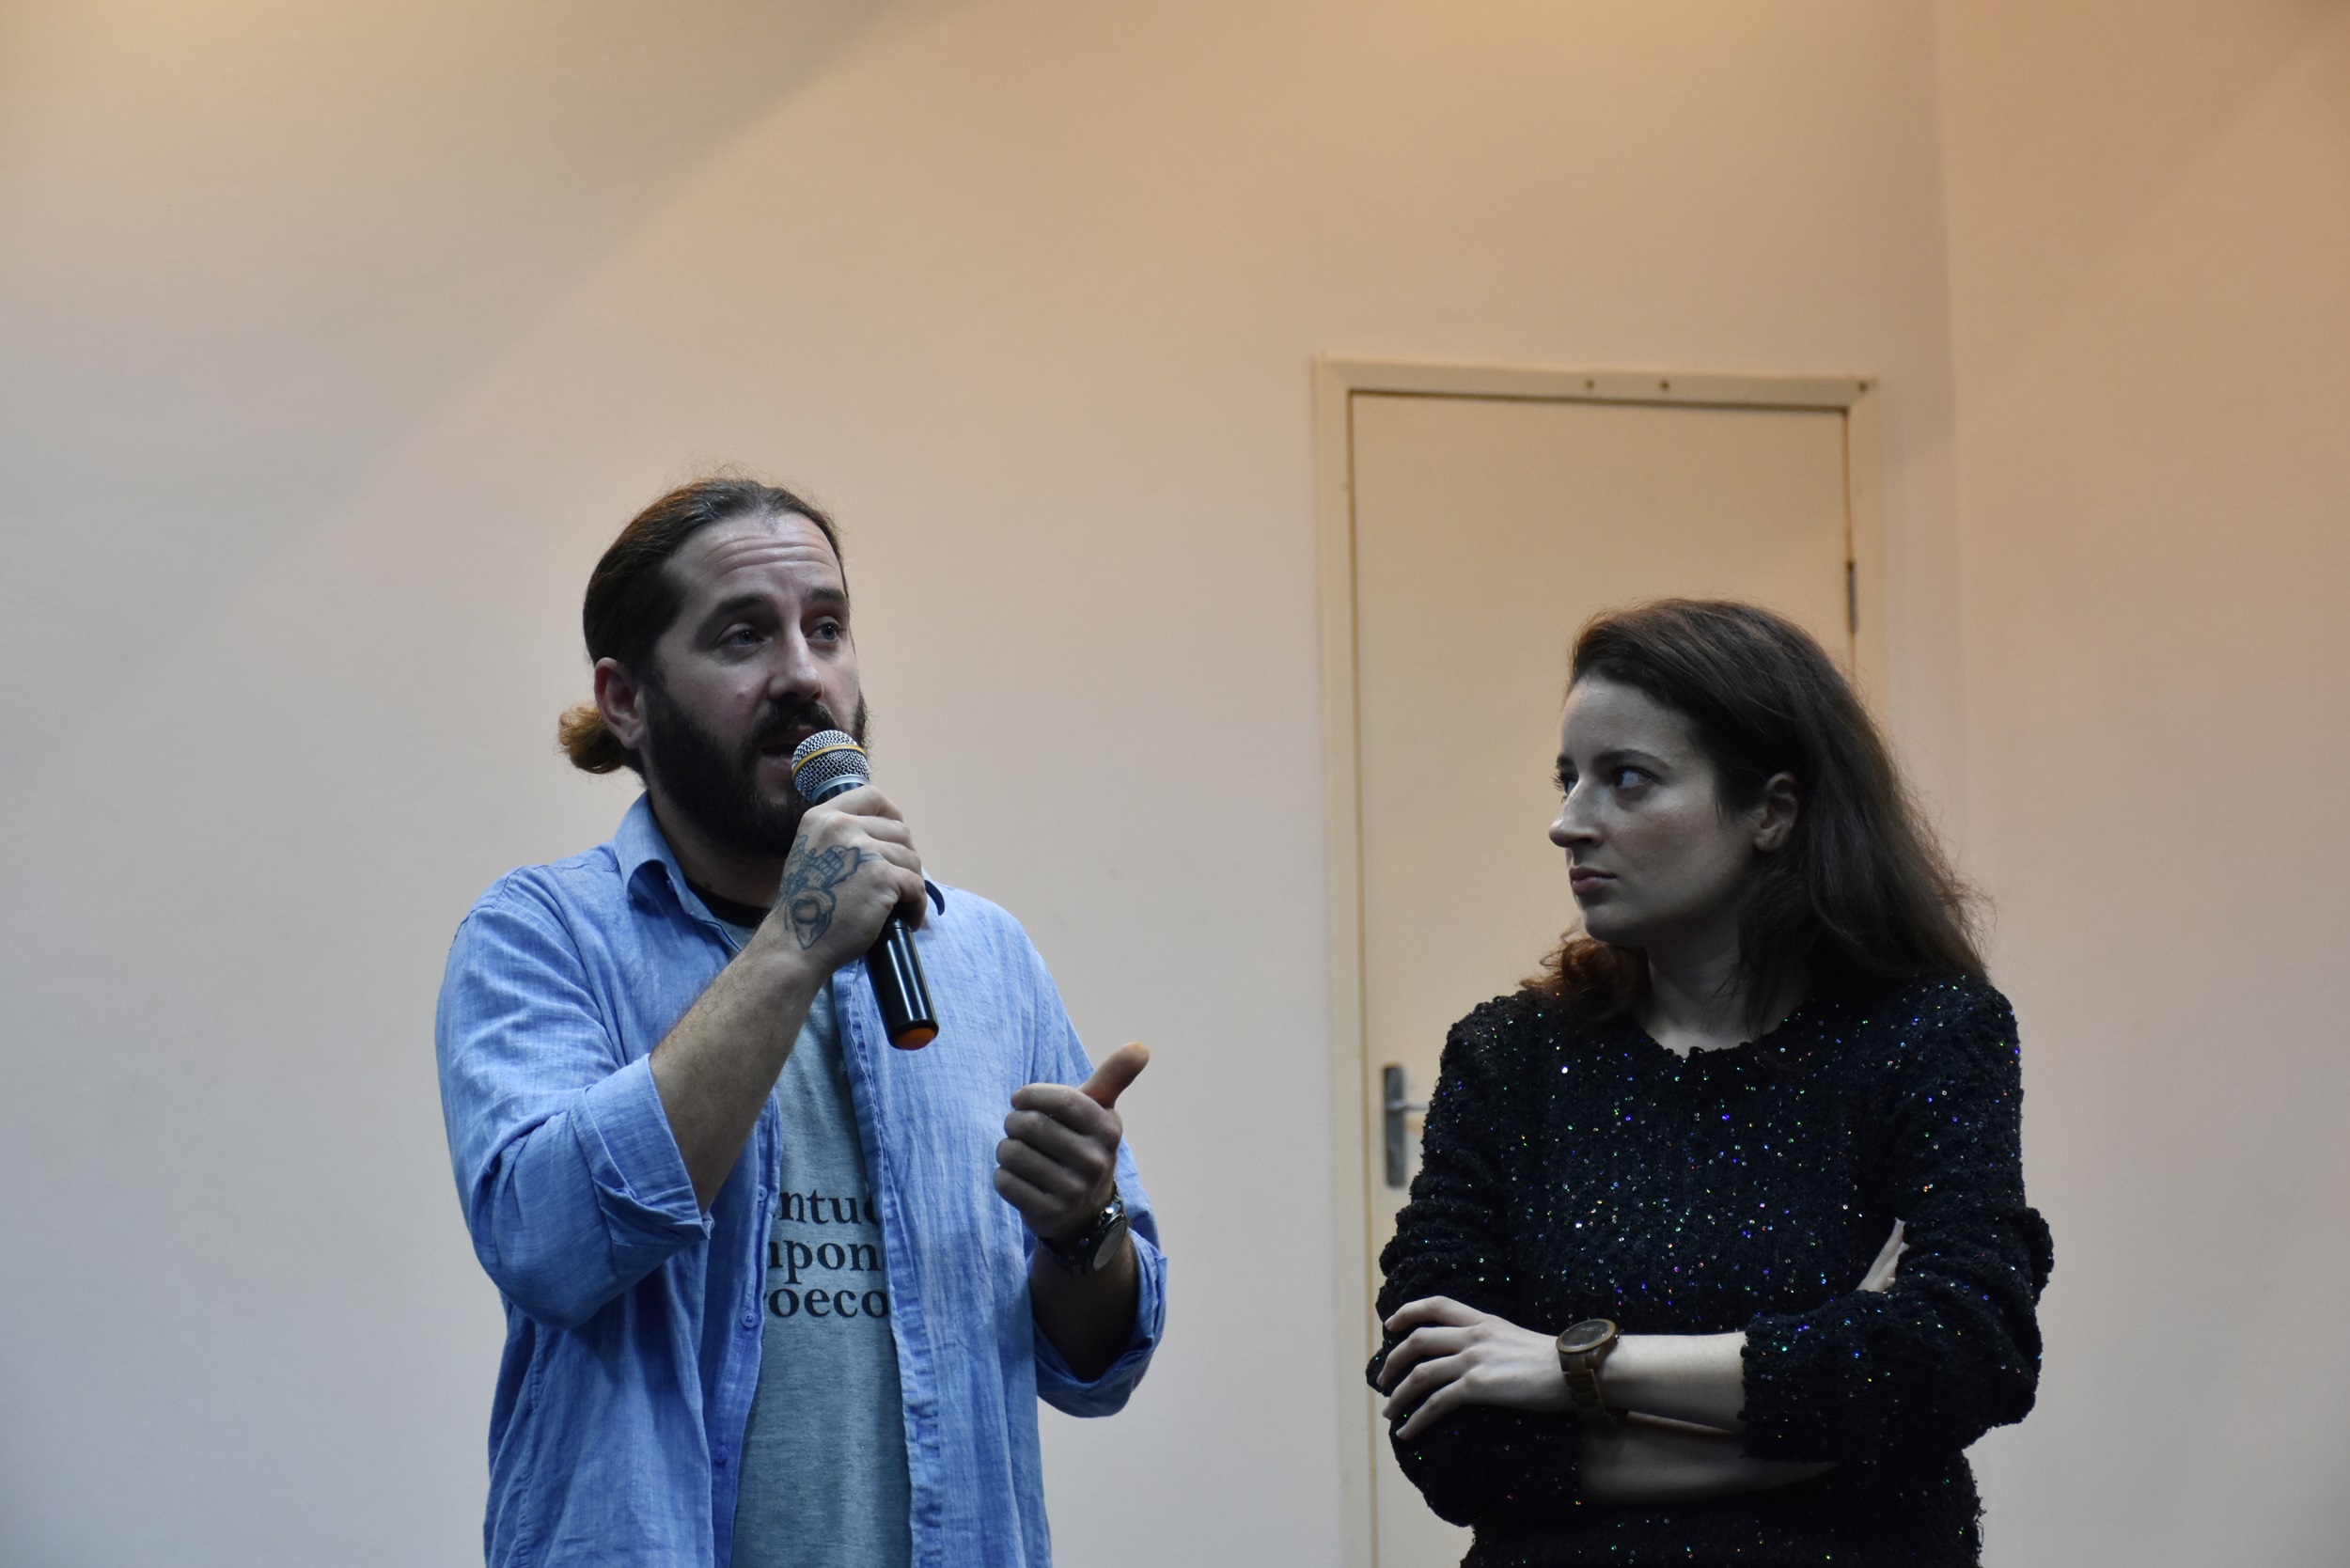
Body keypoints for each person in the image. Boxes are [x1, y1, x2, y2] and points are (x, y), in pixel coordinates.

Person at [435, 477, 1166, 1568]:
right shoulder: (542, 935)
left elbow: (1097, 1365)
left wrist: (1082, 1230)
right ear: (626, 700)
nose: (802, 674)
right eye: (743, 636)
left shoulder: (982, 955)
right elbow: (549, 1246)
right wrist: (795, 941)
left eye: (826, 628)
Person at [1369, 600, 2051, 1566]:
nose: (1568, 824)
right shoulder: (1509, 1059)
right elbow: (1447, 1430)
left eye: (1626, 780)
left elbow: (1960, 1353)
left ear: (1772, 812)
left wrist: (1569, 1368)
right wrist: (1813, 1438)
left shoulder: (1925, 1035)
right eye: (1568, 780)